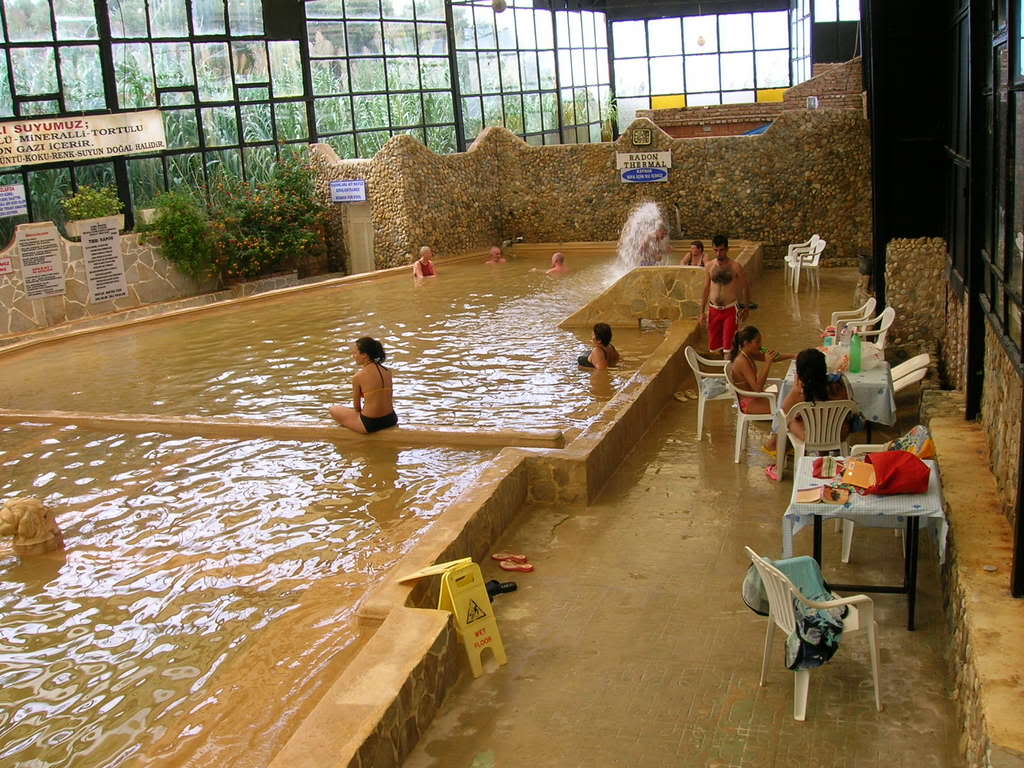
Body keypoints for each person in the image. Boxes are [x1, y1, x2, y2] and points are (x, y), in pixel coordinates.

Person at [765, 348, 851, 478]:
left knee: (787, 420)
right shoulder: (839, 385)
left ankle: (778, 467)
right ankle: (823, 456)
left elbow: (783, 412)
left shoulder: (800, 392)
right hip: (839, 433)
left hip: (810, 436)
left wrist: (795, 385)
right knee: (826, 418)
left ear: (799, 373)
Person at [727, 326, 795, 441]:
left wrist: (793, 355)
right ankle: (778, 443)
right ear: (746, 343)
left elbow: (775, 356)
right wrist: (767, 363)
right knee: (788, 409)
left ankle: (783, 442)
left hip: (756, 397)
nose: (760, 345)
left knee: (789, 400)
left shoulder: (751, 352)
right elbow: (757, 388)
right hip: (749, 402)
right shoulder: (742, 360)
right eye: (757, 342)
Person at [329, 337, 398, 434]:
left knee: (333, 409)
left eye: (355, 353)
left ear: (364, 355)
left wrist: (358, 418)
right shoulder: (387, 371)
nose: (353, 356)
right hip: (391, 419)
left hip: (371, 424)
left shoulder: (358, 376)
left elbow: (357, 407)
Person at [701, 234, 751, 354]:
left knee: (729, 346)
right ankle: (720, 369)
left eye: (721, 250)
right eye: (716, 250)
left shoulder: (735, 267)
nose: (718, 254)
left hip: (730, 310)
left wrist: (746, 308)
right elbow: (706, 288)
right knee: (714, 347)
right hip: (713, 310)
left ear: (727, 249)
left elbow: (746, 288)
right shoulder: (709, 266)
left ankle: (729, 369)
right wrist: (701, 312)